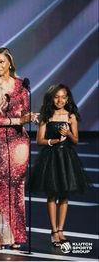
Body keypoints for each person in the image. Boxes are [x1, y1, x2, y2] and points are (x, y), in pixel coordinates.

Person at [0, 47, 39, 249]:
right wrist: (17, 119)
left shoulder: (22, 85)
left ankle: (16, 235)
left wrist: (29, 117)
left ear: (10, 63)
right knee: (1, 184)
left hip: (19, 141)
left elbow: (24, 111)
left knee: (17, 186)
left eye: (2, 62)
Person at [30, 84, 90, 247]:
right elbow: (39, 140)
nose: (60, 100)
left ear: (68, 99)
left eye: (63, 97)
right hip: (50, 157)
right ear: (51, 98)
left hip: (66, 158)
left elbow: (76, 140)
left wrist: (68, 133)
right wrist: (53, 141)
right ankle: (54, 232)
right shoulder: (46, 116)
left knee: (65, 195)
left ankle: (61, 230)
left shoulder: (71, 116)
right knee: (52, 194)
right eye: (57, 96)